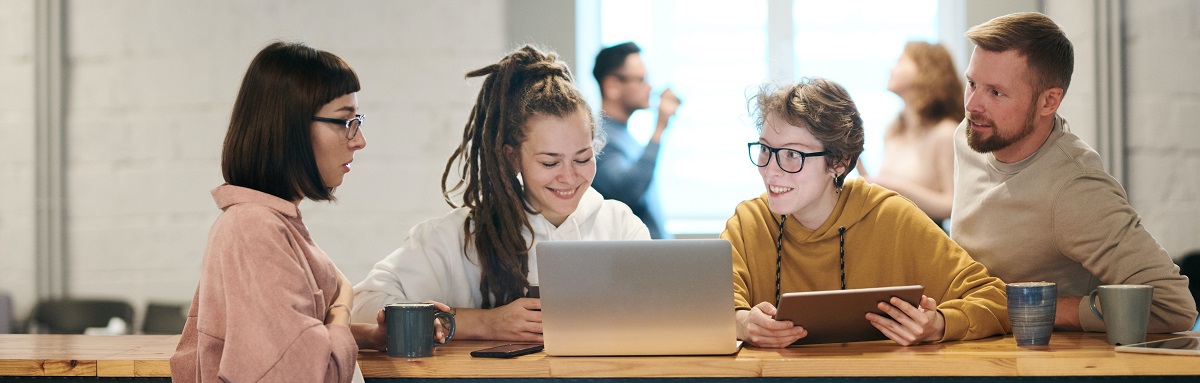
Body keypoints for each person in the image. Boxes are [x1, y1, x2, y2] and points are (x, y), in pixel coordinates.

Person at [171, 41, 449, 383]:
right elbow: (309, 374)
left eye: (357, 120)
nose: (359, 140)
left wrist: (367, 336)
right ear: (292, 128)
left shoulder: (267, 221)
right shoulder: (254, 229)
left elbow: (280, 347)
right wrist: (342, 301)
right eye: (345, 121)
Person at [352, 45, 650, 342]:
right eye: (550, 162)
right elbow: (364, 306)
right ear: (512, 157)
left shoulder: (620, 226)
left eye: (583, 158)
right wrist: (484, 323)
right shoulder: (461, 237)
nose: (569, 176)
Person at [951, 12, 1198, 333]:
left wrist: (1043, 307)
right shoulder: (971, 135)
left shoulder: (1075, 187)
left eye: (996, 92)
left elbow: (1174, 306)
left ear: (1049, 101)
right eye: (971, 83)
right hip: (976, 338)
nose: (972, 105)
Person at [723, 78, 1008, 348]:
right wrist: (742, 323)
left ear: (839, 161)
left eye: (792, 155)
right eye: (764, 149)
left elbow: (996, 299)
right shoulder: (748, 223)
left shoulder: (892, 217)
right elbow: (700, 311)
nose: (770, 170)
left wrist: (940, 324)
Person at [858, 41, 963, 222]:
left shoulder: (945, 133)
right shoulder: (893, 130)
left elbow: (953, 205)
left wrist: (895, 187)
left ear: (927, 71)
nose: (891, 69)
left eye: (900, 61)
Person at [590, 42, 681, 239]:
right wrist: (659, 129)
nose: (649, 87)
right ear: (611, 86)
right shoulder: (599, 138)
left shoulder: (623, 134)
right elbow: (626, 191)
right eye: (641, 80)